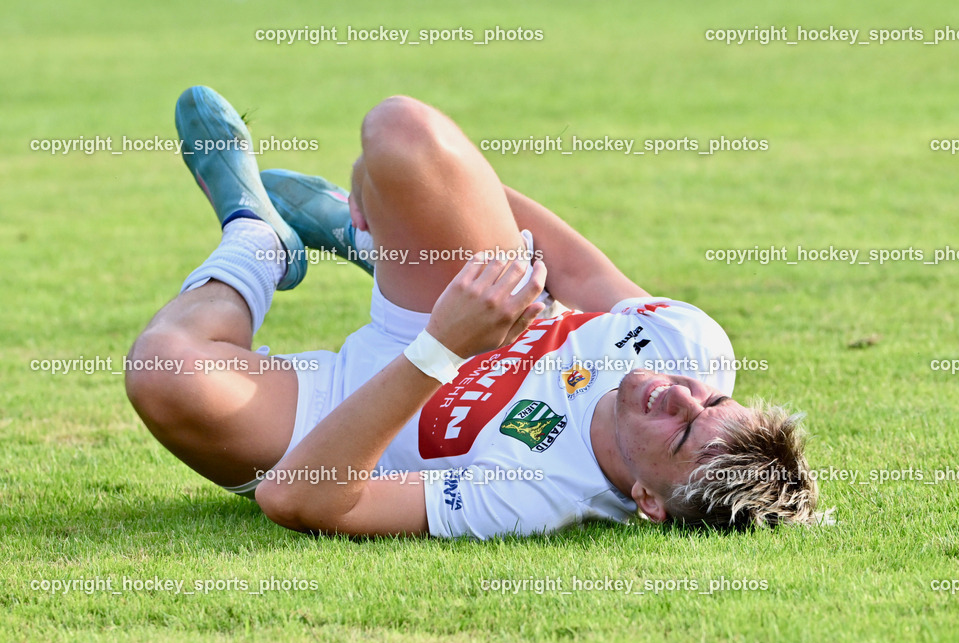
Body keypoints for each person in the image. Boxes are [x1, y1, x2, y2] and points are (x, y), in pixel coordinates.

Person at [125, 86, 819, 540]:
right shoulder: (690, 343)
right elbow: (572, 267)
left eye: (678, 430)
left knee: (161, 373)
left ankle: (257, 237)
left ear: (647, 499)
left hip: (359, 404)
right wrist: (390, 204)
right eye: (710, 398)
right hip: (472, 291)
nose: (679, 392)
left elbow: (296, 497)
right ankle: (361, 234)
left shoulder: (537, 493)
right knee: (398, 131)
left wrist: (440, 349)